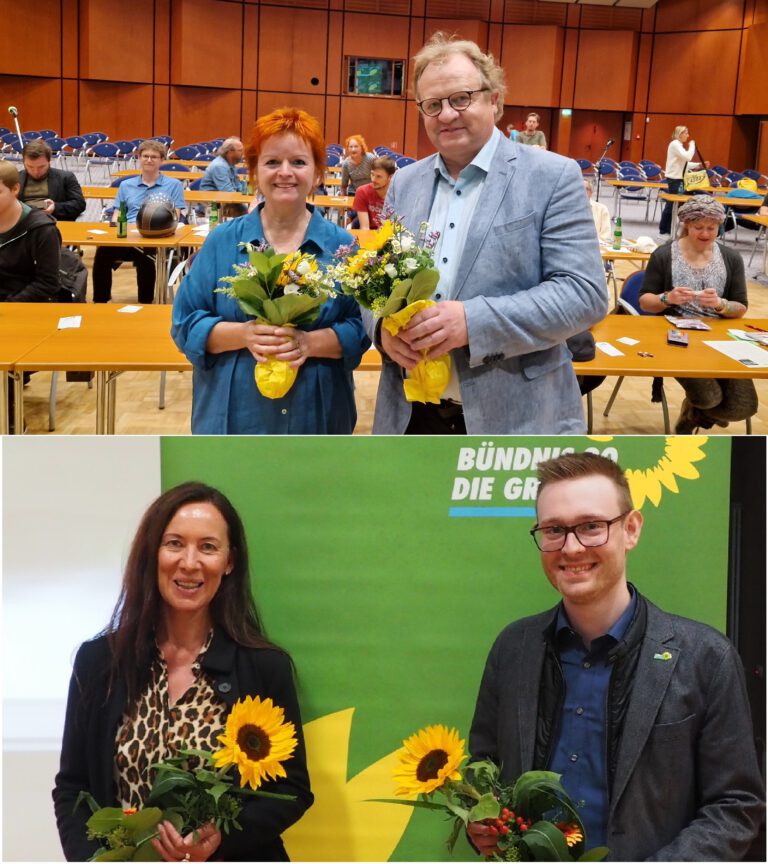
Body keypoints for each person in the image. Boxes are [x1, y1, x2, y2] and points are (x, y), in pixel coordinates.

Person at [468, 452, 765, 862]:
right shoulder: (513, 648)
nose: (570, 548)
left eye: (591, 526)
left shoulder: (706, 657)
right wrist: (481, 822)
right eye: (554, 530)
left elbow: (736, 805)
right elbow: (482, 767)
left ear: (631, 529)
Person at [52, 482, 313, 862]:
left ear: (229, 562)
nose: (190, 562)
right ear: (151, 553)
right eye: (175, 543)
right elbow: (72, 788)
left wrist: (220, 839)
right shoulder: (99, 662)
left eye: (208, 547)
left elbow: (293, 789)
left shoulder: (263, 667)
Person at [368, 34, 607, 434]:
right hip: (411, 413)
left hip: (515, 417)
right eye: (432, 105)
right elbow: (377, 282)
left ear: (494, 100)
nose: (446, 114)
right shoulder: (405, 183)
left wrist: (472, 322)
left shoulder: (553, 176)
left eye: (461, 98)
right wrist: (381, 329)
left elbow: (584, 294)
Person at [172, 107, 370, 434]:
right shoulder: (222, 241)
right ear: (254, 171)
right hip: (234, 419)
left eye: (299, 162)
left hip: (317, 419)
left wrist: (309, 342)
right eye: (272, 162)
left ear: (318, 174)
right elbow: (184, 323)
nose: (285, 172)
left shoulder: (342, 246)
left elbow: (360, 328)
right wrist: (244, 335)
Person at [639, 195, 758, 433]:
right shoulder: (664, 255)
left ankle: (694, 415)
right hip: (677, 338)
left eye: (711, 228)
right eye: (698, 228)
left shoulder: (730, 258)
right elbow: (645, 302)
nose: (705, 233)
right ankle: (698, 413)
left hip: (719, 337)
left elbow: (741, 307)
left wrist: (721, 305)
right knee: (708, 398)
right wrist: (667, 298)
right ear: (686, 225)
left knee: (744, 406)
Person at [93, 139, 186, 304]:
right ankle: (100, 301)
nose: (149, 160)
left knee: (145, 255)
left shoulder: (174, 185)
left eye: (154, 157)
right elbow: (117, 214)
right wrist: (117, 230)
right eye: (145, 156)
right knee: (103, 252)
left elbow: (175, 216)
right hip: (128, 234)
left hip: (156, 235)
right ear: (139, 158)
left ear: (162, 160)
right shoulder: (126, 185)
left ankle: (145, 301)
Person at [0, 160, 61, 302]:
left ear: (15, 189)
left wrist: (8, 305)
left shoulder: (42, 230)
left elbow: (48, 283)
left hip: (21, 305)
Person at [657, 125, 709, 239]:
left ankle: (667, 230)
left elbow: (685, 163)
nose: (688, 135)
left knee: (674, 205)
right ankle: (664, 231)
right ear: (680, 134)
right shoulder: (675, 144)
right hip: (674, 178)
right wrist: (692, 145)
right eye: (686, 133)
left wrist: (698, 165)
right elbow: (688, 157)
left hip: (679, 178)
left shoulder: (679, 146)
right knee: (672, 204)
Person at [18, 139, 86, 221]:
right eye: (30, 167)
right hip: (22, 222)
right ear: (23, 162)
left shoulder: (66, 177)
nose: (36, 172)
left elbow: (79, 204)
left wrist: (55, 207)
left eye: (41, 167)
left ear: (49, 161)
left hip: (53, 222)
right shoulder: (15, 178)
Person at [200, 137, 247, 218]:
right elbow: (227, 192)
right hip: (213, 203)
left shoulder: (230, 163)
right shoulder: (219, 166)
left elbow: (237, 185)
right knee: (246, 214)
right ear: (230, 152)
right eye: (240, 150)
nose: (243, 153)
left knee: (250, 210)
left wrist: (245, 195)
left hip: (223, 199)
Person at [352, 156, 396, 229]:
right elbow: (365, 228)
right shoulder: (362, 191)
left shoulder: (398, 195)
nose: (373, 179)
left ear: (390, 178)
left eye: (379, 176)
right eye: (372, 174)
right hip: (369, 233)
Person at [584, 178, 611, 243]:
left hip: (596, 247)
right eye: (580, 189)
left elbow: (606, 235)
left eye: (586, 189)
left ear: (591, 192)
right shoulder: (569, 209)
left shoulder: (602, 209)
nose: (583, 191)